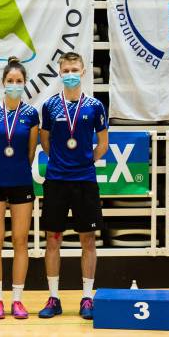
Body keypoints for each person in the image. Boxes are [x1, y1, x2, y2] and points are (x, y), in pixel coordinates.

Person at [37, 51, 109, 320]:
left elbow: (103, 143)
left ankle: (87, 297)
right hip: (56, 180)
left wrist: (86, 161)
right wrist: (61, 161)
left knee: (88, 240)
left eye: (74, 70)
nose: (70, 75)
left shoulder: (95, 106)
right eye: (65, 70)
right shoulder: (49, 106)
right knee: (52, 239)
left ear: (83, 72)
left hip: (85, 181)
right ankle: (53, 297)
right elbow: (45, 142)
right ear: (60, 72)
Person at [0, 57, 39, 319]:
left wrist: (17, 171)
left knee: (20, 241)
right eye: (10, 80)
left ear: (25, 84)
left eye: (19, 81)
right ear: (3, 83)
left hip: (21, 183)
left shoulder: (31, 115)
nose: (14, 84)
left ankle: (17, 299)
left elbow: (30, 152)